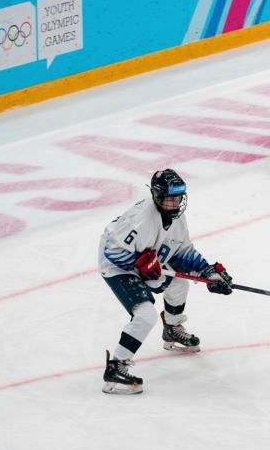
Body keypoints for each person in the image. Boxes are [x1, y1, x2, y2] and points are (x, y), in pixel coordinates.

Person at [97, 169, 233, 394]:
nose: (175, 203)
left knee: (179, 285)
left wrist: (207, 272)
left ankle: (172, 328)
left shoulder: (177, 218)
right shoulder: (139, 220)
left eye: (178, 197)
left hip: (145, 258)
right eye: (169, 198)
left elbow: (182, 251)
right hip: (117, 265)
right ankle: (116, 366)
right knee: (145, 314)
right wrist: (139, 264)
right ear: (157, 196)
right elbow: (114, 251)